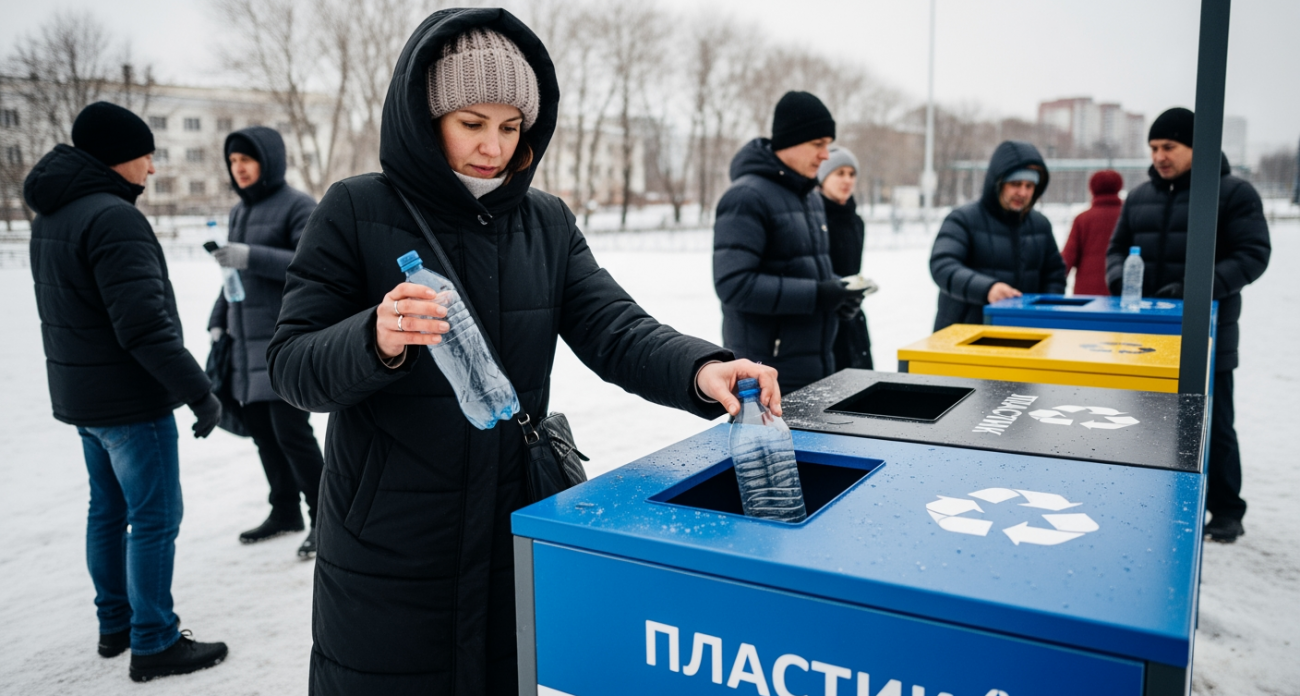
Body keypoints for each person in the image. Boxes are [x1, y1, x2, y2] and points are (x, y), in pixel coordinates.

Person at [264, 9, 779, 694]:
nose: (494, 147)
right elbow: (293, 366)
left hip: (511, 519)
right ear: (426, 116)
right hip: (391, 542)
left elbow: (615, 327)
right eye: (472, 124)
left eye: (511, 128)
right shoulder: (355, 210)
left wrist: (701, 367)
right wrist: (375, 335)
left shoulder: (547, 222)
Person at [24, 102, 228, 682]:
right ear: (119, 158)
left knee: (108, 511)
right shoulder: (113, 218)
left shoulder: (53, 216)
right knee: (155, 516)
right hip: (130, 402)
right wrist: (200, 392)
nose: (153, 169)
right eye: (147, 156)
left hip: (86, 400)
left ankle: (115, 624)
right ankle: (155, 640)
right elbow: (143, 327)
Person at [1106, 107, 1271, 544]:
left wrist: (1197, 290)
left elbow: (1253, 254)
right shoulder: (1140, 196)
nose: (1160, 156)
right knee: (1147, 423)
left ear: (1197, 147)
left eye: (1170, 147)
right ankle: (1157, 498)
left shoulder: (1232, 193)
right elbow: (1117, 249)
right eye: (1154, 148)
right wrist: (1121, 278)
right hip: (1147, 338)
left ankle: (1226, 510)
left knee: (1213, 424)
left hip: (1209, 334)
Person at [207, 126, 325, 557]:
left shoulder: (299, 206)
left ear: (268, 161)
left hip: (284, 340)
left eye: (246, 160)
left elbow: (311, 264)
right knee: (263, 433)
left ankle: (325, 518)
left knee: (292, 433)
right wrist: (218, 319)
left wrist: (251, 256)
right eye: (233, 162)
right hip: (243, 341)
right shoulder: (240, 211)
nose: (238, 169)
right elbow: (231, 277)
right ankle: (284, 510)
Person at [713, 91, 864, 393]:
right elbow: (734, 284)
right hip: (766, 373)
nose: (825, 155)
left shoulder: (809, 196)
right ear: (791, 141)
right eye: (818, 144)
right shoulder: (746, 197)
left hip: (816, 365)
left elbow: (806, 269)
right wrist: (819, 295)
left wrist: (839, 294)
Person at [930, 140, 1066, 330]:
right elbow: (943, 266)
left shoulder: (1040, 225)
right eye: (1015, 184)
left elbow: (1054, 274)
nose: (1023, 192)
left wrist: (1045, 310)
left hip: (1025, 333)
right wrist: (987, 289)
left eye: (1029, 185)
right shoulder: (963, 219)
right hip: (965, 334)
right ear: (998, 182)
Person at [817, 145, 873, 370]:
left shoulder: (856, 221)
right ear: (822, 177)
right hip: (824, 317)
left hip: (854, 316)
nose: (847, 180)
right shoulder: (814, 219)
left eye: (851, 174)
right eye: (839, 173)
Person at [1061, 170, 1123, 296]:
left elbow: (1068, 257)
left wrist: (1053, 282)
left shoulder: (1082, 219)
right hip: (1119, 290)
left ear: (1092, 189)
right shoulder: (1127, 216)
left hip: (1086, 294)